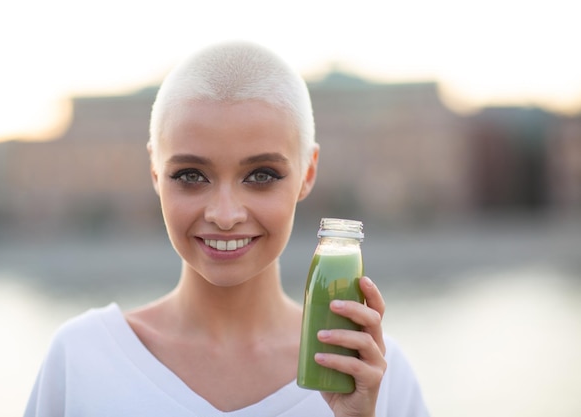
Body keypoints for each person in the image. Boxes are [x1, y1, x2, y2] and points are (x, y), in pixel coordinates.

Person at [24, 41, 429, 417]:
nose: (225, 213)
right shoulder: (80, 358)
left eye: (261, 175)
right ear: (154, 172)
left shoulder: (374, 374)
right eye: (191, 175)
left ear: (307, 173)